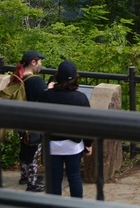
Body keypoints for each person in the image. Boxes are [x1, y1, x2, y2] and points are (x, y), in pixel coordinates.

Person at [39, 60, 93, 198]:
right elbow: (87, 124)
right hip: (73, 144)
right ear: (76, 77)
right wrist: (88, 143)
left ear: (57, 77)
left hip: (52, 144)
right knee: (74, 176)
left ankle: (55, 207)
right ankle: (75, 207)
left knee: (55, 178)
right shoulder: (81, 98)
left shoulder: (47, 95)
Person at [13, 50, 47, 192]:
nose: (41, 64)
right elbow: (46, 100)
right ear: (33, 62)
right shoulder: (36, 81)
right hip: (34, 121)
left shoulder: (18, 78)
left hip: (21, 120)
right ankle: (32, 183)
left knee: (24, 149)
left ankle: (25, 176)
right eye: (40, 61)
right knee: (33, 151)